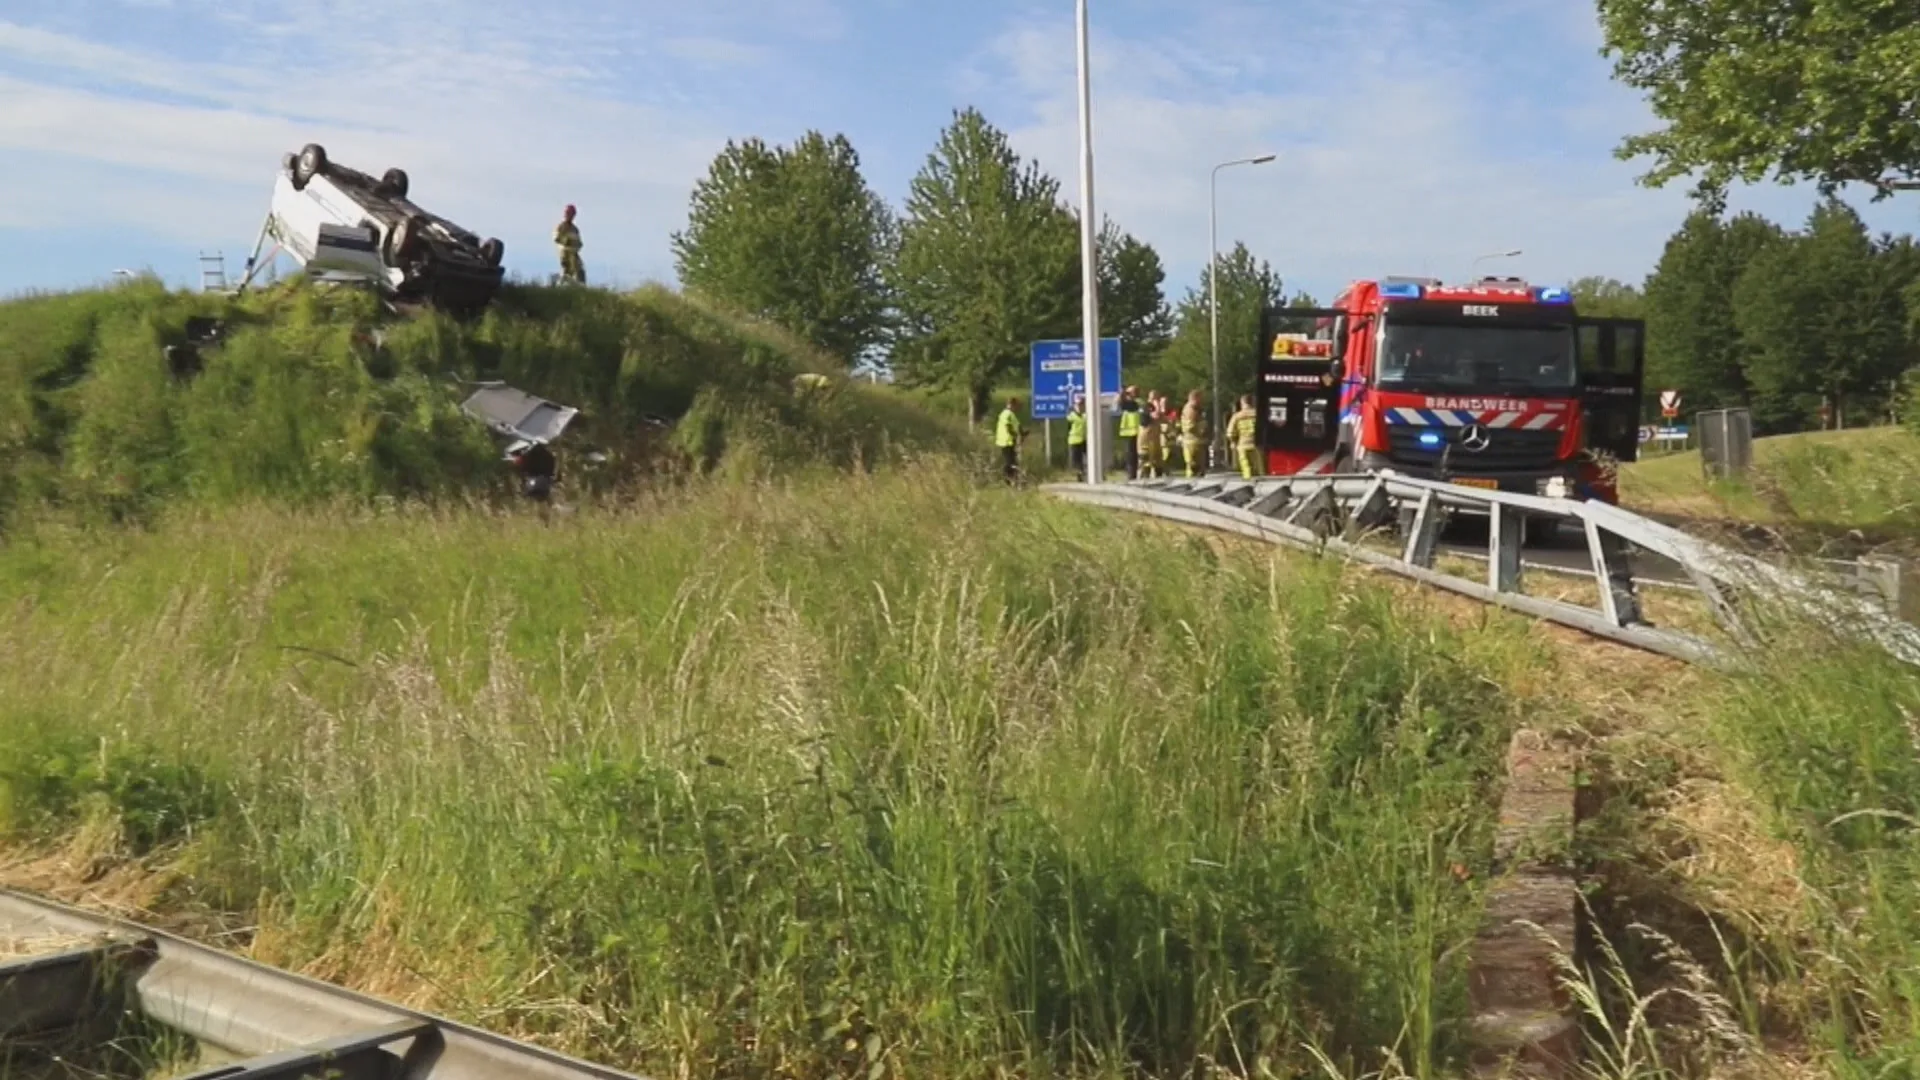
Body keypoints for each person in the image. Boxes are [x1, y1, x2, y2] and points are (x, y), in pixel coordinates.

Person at [1228, 394, 1261, 478]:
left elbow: (1230, 432)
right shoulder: (1259, 414)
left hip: (1243, 445)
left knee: (1246, 468)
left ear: (1242, 403)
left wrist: (1233, 442)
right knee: (1259, 469)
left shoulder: (1237, 416)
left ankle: (1248, 483)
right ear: (1253, 402)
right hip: (1257, 445)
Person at [995, 396, 1025, 483]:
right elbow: (1008, 426)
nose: (1018, 408)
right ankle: (1007, 479)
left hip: (1010, 441)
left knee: (1013, 461)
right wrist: (1014, 434)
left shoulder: (1011, 414)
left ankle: (1013, 479)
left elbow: (1017, 425)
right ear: (1012, 405)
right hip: (1005, 441)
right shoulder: (1006, 414)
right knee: (1009, 462)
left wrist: (1022, 433)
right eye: (1017, 406)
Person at [1180, 390, 1208, 478]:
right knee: (1193, 466)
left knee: (1200, 469)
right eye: (1200, 398)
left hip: (1197, 441)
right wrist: (1202, 427)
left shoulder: (1197, 409)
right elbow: (1190, 427)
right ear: (1195, 398)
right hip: (1191, 442)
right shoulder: (1190, 409)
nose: (1202, 401)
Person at [1116, 385, 1143, 479]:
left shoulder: (1137, 403)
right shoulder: (1126, 403)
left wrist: (1124, 394)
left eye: (1130, 392)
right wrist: (1122, 393)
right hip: (1128, 433)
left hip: (1137, 432)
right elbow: (1120, 403)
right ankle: (1131, 473)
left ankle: (1134, 473)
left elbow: (1130, 404)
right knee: (1130, 454)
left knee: (1135, 454)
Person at [554, 205, 585, 284]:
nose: (569, 215)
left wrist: (578, 245)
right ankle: (560, 288)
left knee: (579, 270)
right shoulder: (561, 226)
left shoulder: (575, 229)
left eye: (571, 214)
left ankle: (581, 287)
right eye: (568, 213)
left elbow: (579, 242)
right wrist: (568, 242)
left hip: (574, 253)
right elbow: (556, 238)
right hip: (565, 253)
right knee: (566, 272)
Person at [1137, 391, 1164, 479]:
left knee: (1157, 460)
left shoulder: (1152, 407)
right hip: (1146, 438)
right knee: (1145, 460)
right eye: (1156, 399)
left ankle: (1158, 477)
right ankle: (1143, 478)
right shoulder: (1146, 407)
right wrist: (1158, 405)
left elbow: (1161, 418)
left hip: (1154, 439)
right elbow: (1156, 416)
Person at [1066, 393, 1089, 474]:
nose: (1080, 406)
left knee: (1089, 456)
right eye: (1078, 404)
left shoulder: (1086, 415)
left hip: (1084, 439)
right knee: (1077, 459)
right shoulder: (1071, 416)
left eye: (1082, 404)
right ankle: (1079, 472)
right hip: (1074, 440)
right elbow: (1068, 427)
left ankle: (1086, 470)